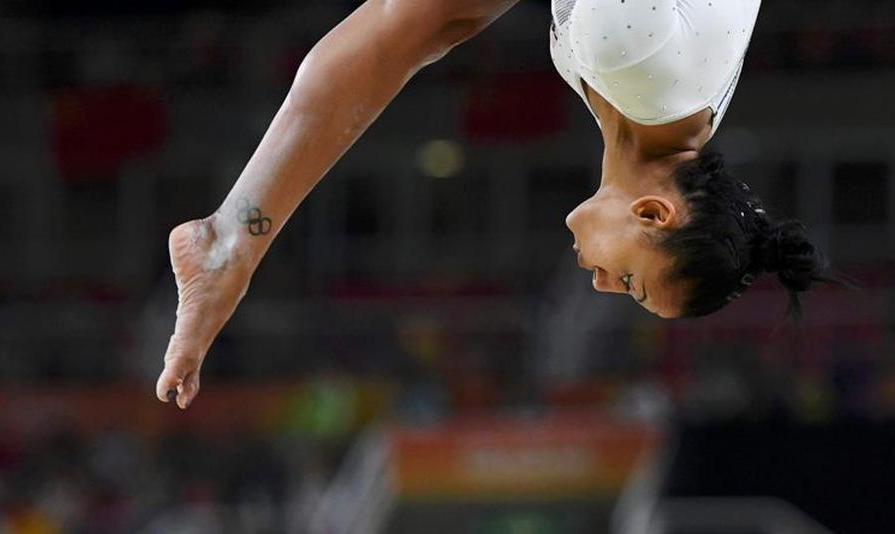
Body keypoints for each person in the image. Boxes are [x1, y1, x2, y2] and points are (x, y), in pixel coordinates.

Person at [156, 0, 838, 409]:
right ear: (654, 215)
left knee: (427, 26)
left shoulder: (659, 104)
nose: (598, 284)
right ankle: (227, 245)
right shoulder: (634, 59)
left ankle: (227, 243)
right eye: (628, 281)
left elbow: (416, 27)